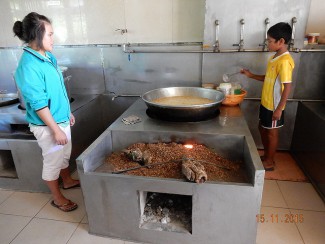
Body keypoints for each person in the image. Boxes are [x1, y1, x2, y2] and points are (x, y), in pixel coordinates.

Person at [13, 12, 80, 211]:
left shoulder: (47, 56)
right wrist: (56, 130)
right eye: (49, 34)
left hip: (60, 119)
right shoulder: (28, 66)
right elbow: (39, 103)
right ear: (36, 34)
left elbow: (58, 89)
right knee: (52, 160)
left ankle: (66, 180)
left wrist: (67, 113)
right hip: (47, 125)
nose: (53, 38)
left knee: (64, 153)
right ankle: (57, 198)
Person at [241, 22, 294, 171]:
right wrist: (250, 75)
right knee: (262, 128)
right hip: (266, 103)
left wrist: (279, 109)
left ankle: (270, 161)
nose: (267, 43)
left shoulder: (285, 61)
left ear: (281, 41)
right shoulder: (275, 58)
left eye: (270, 41)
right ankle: (266, 156)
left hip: (274, 105)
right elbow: (268, 78)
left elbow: (287, 86)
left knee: (271, 132)